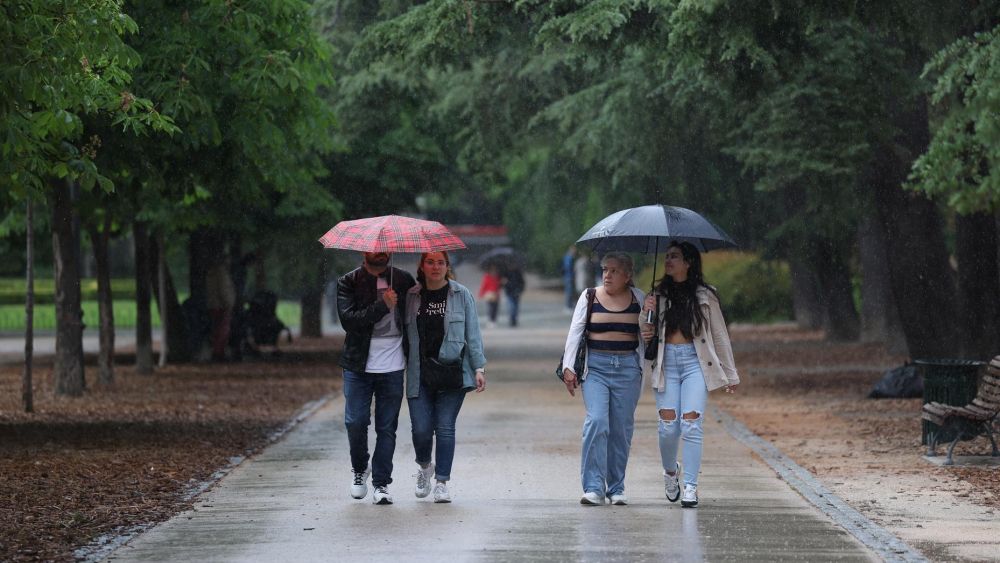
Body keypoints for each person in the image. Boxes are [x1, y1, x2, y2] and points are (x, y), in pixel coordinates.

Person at [640, 241, 739, 508]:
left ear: (688, 262)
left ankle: (691, 487)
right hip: (666, 364)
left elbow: (719, 334)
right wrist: (646, 311)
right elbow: (646, 333)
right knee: (668, 428)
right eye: (667, 256)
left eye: (674, 257)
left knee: (692, 425)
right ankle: (671, 473)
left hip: (696, 364)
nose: (668, 261)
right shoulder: (657, 294)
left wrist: (731, 374)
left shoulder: (706, 295)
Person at [561, 252, 645, 506]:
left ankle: (616, 487)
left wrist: (651, 316)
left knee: (621, 428)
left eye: (614, 271)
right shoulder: (589, 296)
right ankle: (594, 487)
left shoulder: (640, 298)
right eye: (605, 269)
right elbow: (575, 331)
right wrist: (568, 367)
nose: (607, 275)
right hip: (595, 368)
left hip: (628, 369)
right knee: (597, 421)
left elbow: (649, 339)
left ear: (627, 276)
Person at [405, 251, 487, 503]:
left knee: (445, 427)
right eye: (430, 262)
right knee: (420, 430)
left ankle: (441, 481)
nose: (435, 267)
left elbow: (472, 333)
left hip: (453, 372)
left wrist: (479, 367)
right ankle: (424, 466)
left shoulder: (462, 295)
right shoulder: (411, 296)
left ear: (447, 266)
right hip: (420, 372)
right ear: (422, 265)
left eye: (440, 262)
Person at [336, 252, 416, 505]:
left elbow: (414, 318)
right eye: (375, 247)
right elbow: (349, 321)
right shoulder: (348, 282)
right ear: (364, 251)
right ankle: (360, 469)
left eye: (385, 247)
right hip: (358, 365)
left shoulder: (403, 280)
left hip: (392, 366)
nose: (380, 252)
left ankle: (381, 484)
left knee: (386, 428)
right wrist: (383, 305)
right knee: (355, 422)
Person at [205, 256, 236, 362]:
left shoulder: (211, 273)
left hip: (214, 304)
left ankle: (217, 352)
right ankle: (219, 353)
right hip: (221, 306)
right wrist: (228, 304)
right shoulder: (221, 273)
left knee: (217, 330)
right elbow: (224, 291)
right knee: (222, 330)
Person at [561, 245, 577, 310]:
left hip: (569, 276)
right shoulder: (569, 257)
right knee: (569, 291)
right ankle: (568, 305)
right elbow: (568, 267)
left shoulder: (568, 257)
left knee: (570, 291)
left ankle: (570, 304)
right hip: (569, 276)